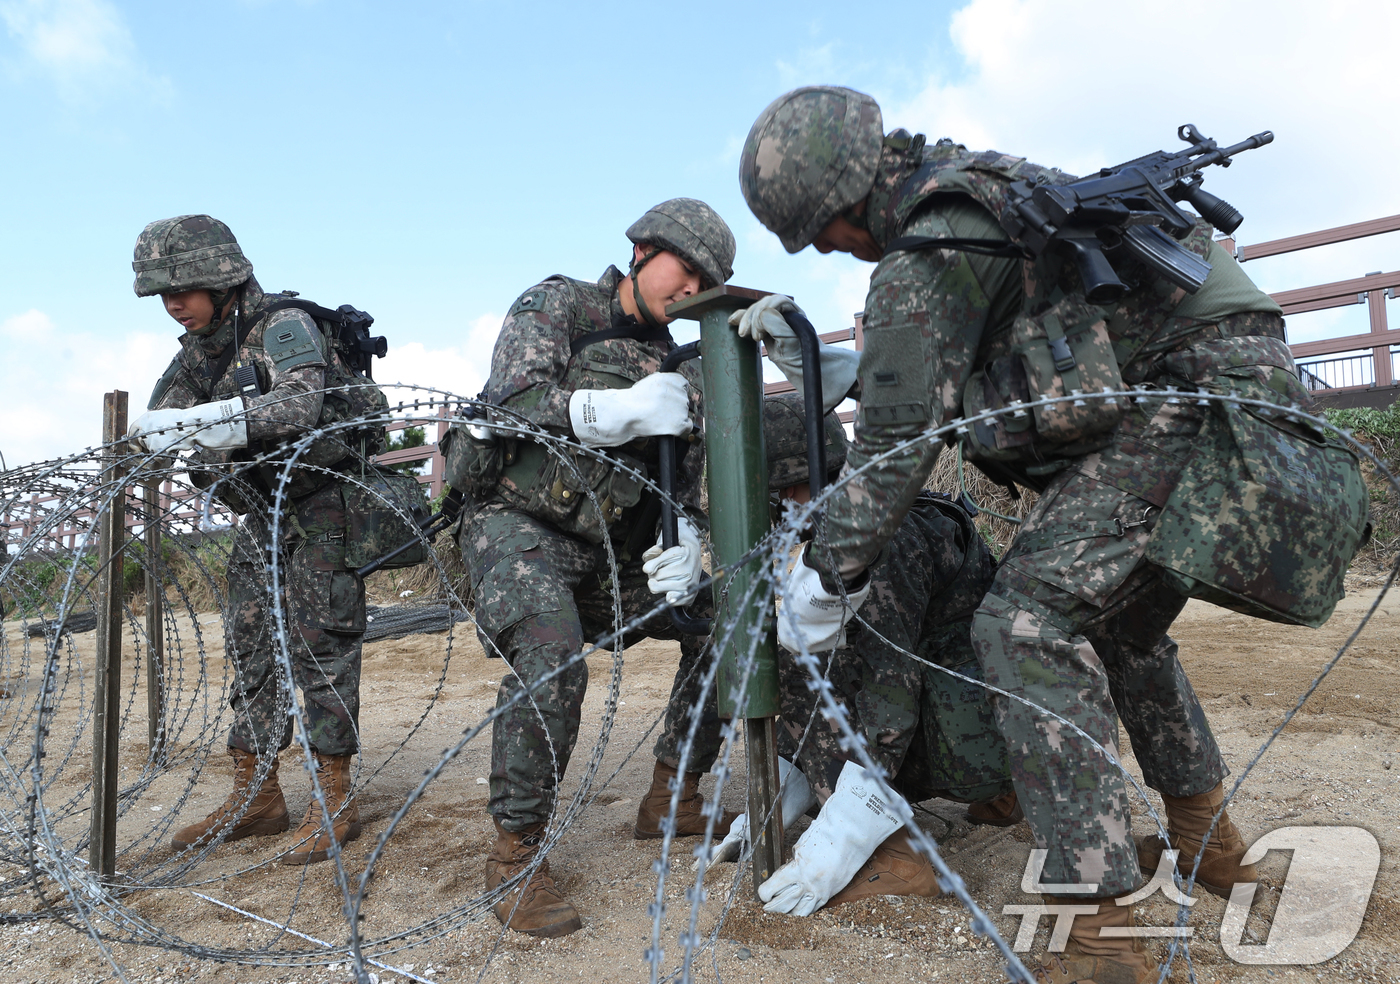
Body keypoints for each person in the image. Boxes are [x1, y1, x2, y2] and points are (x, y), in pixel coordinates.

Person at [731, 87, 1320, 982]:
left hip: (1197, 406)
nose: (828, 250)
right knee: (1118, 622)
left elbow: (895, 450)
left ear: (852, 195)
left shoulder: (927, 244)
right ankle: (1209, 841)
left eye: (824, 231)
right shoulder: (982, 195)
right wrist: (870, 370)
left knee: (1023, 623)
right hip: (1238, 394)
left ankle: (1093, 937)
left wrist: (821, 579)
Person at [450, 199, 739, 939]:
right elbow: (511, 399)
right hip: (516, 526)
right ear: (643, 250)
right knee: (552, 653)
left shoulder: (689, 363)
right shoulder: (560, 303)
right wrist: (613, 413)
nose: (691, 287)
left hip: (614, 554)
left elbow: (695, 472)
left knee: (724, 618)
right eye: (686, 267)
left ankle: (673, 796)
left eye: (709, 279)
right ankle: (516, 852)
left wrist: (687, 542)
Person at [127, 214, 389, 866]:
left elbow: (299, 403)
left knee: (320, 646)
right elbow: (162, 419)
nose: (173, 305)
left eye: (183, 289)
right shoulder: (198, 353)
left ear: (223, 277)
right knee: (249, 645)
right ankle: (258, 794)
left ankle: (334, 798)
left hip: (318, 505)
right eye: (163, 294)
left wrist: (211, 422)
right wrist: (157, 433)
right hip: (261, 516)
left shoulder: (281, 325)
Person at [717, 393, 1016, 914]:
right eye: (778, 490)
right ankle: (1003, 795)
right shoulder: (864, 515)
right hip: (1001, 729)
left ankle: (899, 858)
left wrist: (849, 826)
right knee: (799, 628)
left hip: (981, 738)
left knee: (802, 655)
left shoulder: (878, 541)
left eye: (793, 485)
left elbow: (889, 690)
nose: (786, 501)